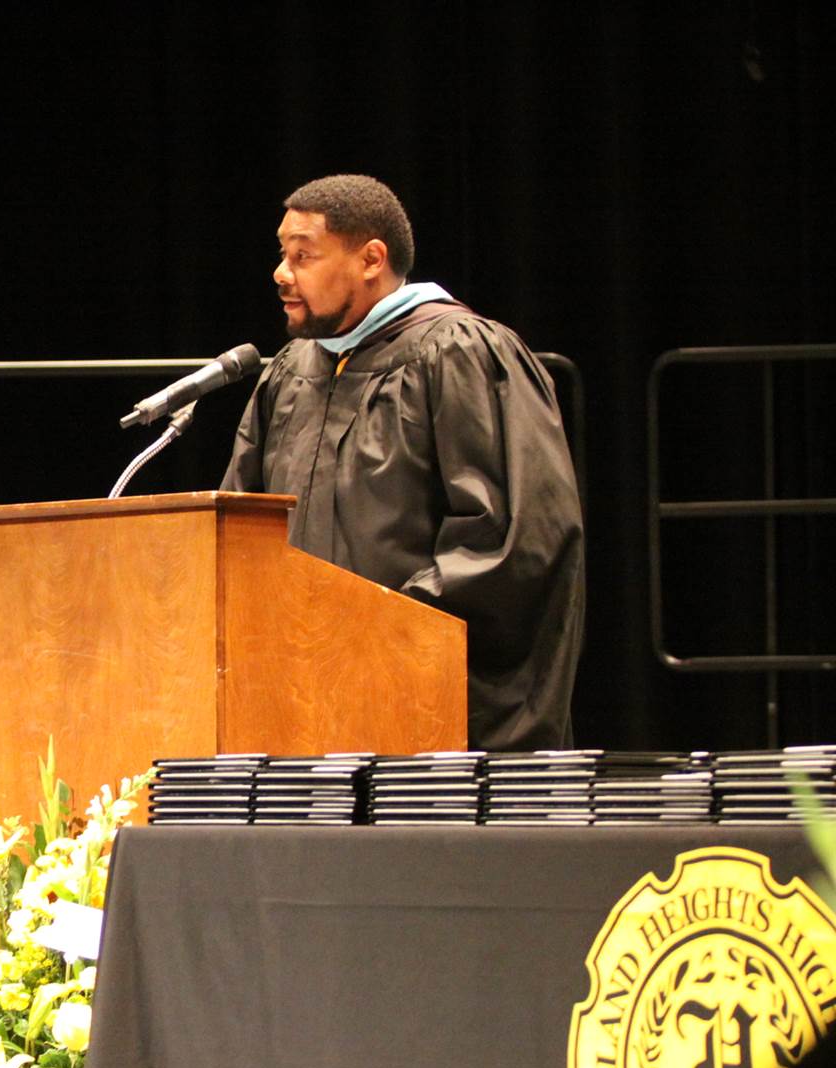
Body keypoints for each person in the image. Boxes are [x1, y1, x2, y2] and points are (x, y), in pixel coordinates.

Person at [220, 173, 584, 751]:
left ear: (371, 259)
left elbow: (512, 538)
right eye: (281, 254)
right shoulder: (292, 372)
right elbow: (245, 530)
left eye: (303, 255)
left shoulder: (460, 352)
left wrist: (375, 630)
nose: (281, 273)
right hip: (303, 700)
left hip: (427, 708)